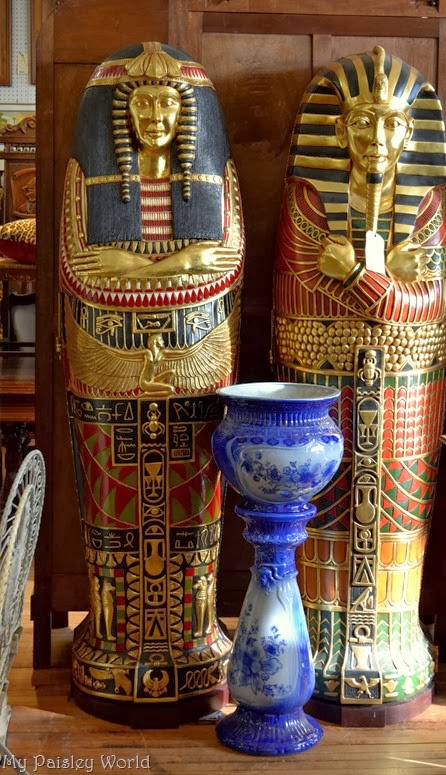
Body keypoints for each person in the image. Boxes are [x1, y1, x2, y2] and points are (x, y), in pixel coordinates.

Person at [60, 42, 244, 723]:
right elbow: (80, 268)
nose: (157, 115)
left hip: (198, 363)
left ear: (188, 114)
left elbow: (225, 263)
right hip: (106, 364)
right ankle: (115, 635)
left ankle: (193, 632)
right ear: (122, 115)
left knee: (195, 511)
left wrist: (131, 270)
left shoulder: (214, 184)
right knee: (112, 515)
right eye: (143, 103)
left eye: (169, 102)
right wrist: (181, 266)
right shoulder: (88, 183)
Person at [272, 46, 446, 718]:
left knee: (398, 502)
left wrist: (355, 276)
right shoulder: (307, 199)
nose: (377, 137)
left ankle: (394, 639)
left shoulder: (426, 204)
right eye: (363, 123)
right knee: (322, 498)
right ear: (339, 130)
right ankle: (318, 642)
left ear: (409, 134)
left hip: (408, 381)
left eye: (391, 124)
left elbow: (428, 301)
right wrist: (386, 283)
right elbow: (302, 277)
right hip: (318, 369)